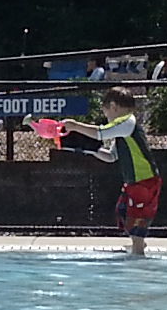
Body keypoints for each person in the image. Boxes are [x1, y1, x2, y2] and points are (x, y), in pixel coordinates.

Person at [57, 86, 161, 255]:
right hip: (135, 183)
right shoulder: (124, 129)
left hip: (144, 182)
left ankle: (138, 253)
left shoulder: (127, 121)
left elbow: (101, 133)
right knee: (123, 213)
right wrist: (84, 148)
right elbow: (111, 157)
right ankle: (138, 243)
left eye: (106, 112)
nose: (107, 117)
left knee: (136, 221)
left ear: (113, 107)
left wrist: (75, 126)